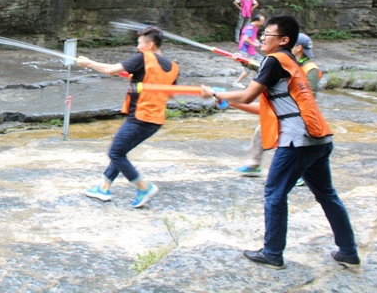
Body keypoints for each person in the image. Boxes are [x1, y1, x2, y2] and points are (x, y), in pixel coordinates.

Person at [201, 16, 359, 269]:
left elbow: (248, 93)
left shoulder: (274, 60)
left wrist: (216, 93)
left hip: (298, 141)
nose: (262, 39)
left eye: (268, 35)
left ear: (284, 40)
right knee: (327, 194)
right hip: (319, 138)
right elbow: (267, 109)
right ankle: (348, 251)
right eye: (263, 34)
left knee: (274, 193)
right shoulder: (291, 63)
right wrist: (230, 101)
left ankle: (273, 253)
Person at [76, 25, 179, 208]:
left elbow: (111, 70)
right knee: (121, 152)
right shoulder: (173, 67)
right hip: (155, 120)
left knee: (115, 152)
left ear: (150, 45)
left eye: (140, 43)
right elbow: (172, 94)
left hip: (139, 117)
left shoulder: (143, 57)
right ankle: (103, 187)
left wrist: (89, 63)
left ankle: (143, 187)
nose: (138, 47)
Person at [234, 31, 322, 176]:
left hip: (299, 115)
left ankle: (301, 173)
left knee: (289, 143)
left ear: (298, 47)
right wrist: (245, 62)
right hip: (285, 110)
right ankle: (254, 165)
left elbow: (309, 97)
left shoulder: (310, 69)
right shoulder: (288, 61)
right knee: (261, 131)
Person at [232, 14, 265, 88]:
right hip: (245, 50)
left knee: (259, 63)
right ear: (256, 21)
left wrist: (259, 43)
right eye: (262, 21)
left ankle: (253, 81)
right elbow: (245, 38)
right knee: (249, 67)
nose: (262, 23)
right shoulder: (249, 28)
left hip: (251, 50)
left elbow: (253, 38)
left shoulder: (255, 28)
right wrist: (254, 44)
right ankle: (236, 82)